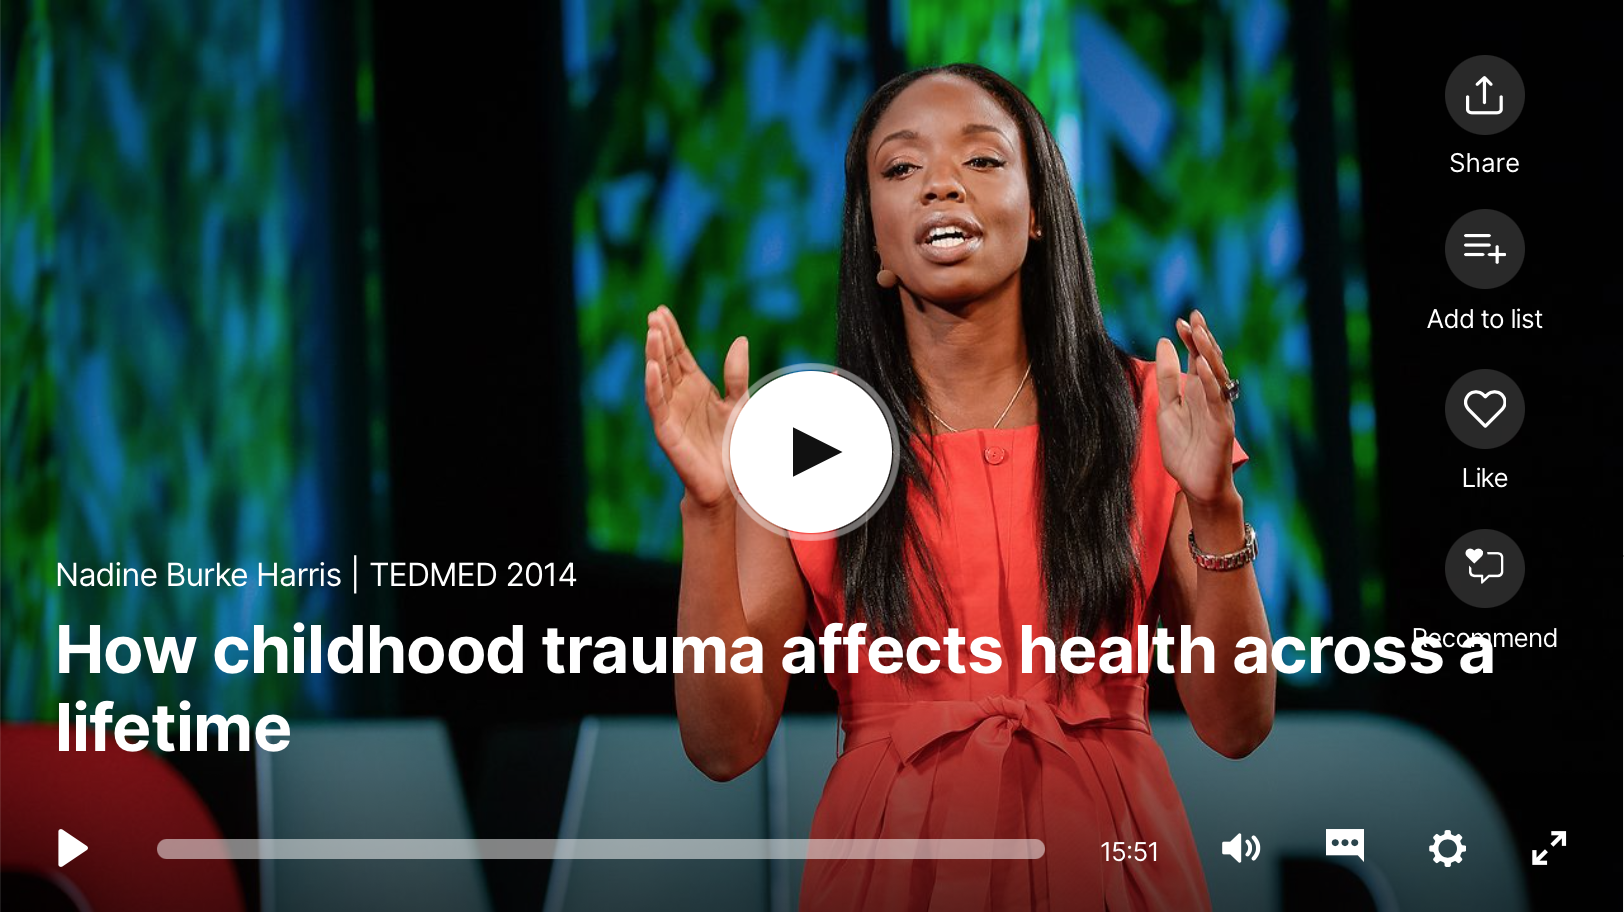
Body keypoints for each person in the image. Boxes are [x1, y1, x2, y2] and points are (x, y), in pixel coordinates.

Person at [643, 62, 1273, 912]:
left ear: (1039, 212)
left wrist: (1215, 504)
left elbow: (1237, 725)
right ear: (873, 240)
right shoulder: (809, 436)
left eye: (982, 160)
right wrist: (709, 508)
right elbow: (723, 745)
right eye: (902, 167)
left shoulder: (1145, 412)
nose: (941, 184)